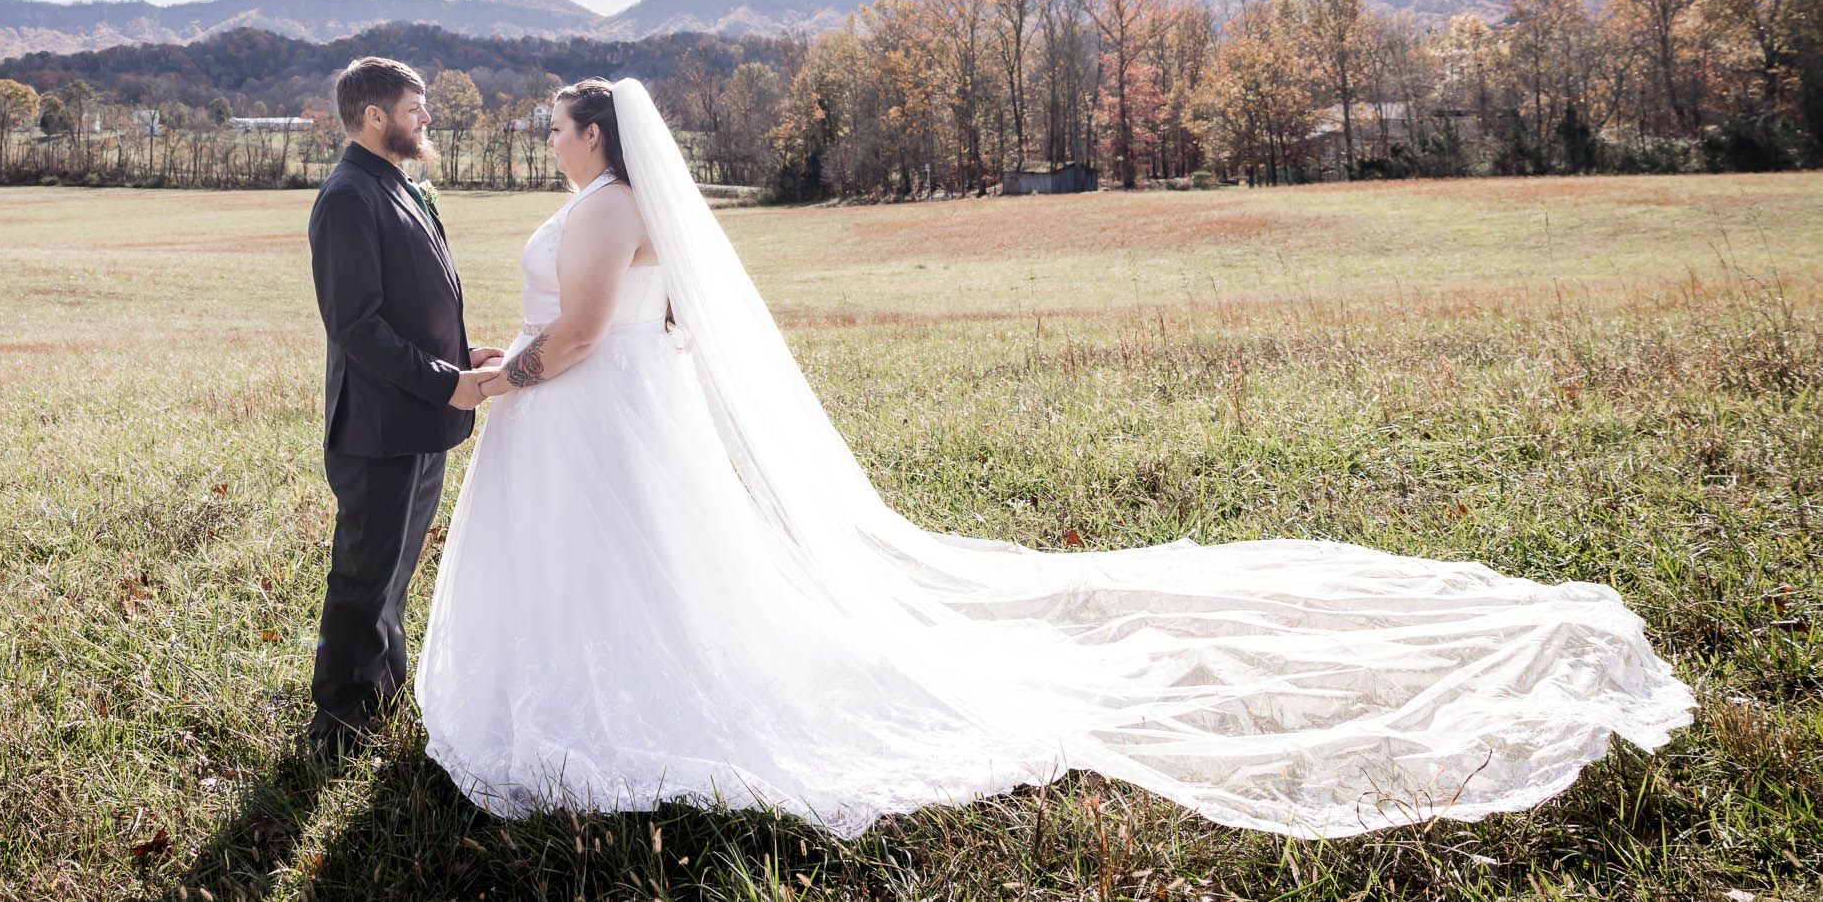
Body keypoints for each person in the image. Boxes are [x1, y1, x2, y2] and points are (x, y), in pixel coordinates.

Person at [415, 77, 1696, 838]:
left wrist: (490, 378)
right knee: (650, 568)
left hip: (595, 409)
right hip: (625, 413)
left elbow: (578, 332)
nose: (551, 137)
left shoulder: (607, 205)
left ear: (598, 134)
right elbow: (649, 317)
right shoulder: (622, 207)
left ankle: (621, 699)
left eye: (560, 124)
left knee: (634, 565)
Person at [304, 56, 502, 763]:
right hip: (379, 426)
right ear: (375, 116)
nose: (427, 119)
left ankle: (382, 690)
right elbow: (357, 326)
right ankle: (336, 722)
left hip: (419, 416)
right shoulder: (348, 196)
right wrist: (444, 380)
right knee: (362, 574)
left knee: (394, 570)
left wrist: (464, 354)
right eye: (415, 108)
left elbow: (411, 306)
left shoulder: (402, 188)